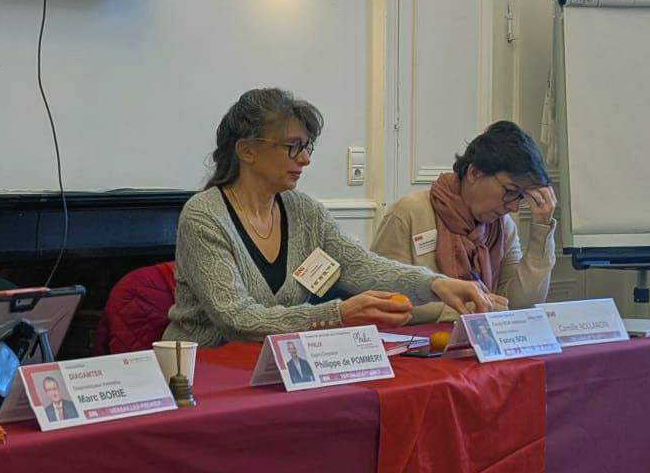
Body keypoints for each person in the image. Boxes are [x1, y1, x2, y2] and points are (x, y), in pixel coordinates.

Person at [163, 87, 502, 348]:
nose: (306, 159)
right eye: (294, 147)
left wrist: (436, 284)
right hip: (201, 374)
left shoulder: (304, 211)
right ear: (247, 150)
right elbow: (237, 320)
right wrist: (338, 315)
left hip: (278, 366)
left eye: (308, 146)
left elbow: (361, 267)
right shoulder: (204, 216)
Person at [371, 121, 557, 323]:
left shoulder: (502, 226)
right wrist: (469, 308)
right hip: (417, 348)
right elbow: (383, 299)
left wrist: (542, 230)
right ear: (474, 172)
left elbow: (519, 305)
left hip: (478, 346)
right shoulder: (410, 211)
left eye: (520, 197)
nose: (513, 208)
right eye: (510, 191)